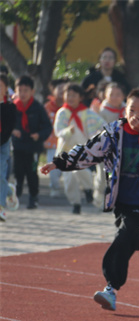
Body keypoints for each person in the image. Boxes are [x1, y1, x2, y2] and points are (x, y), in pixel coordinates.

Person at [40, 88, 139, 311]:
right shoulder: (114, 132)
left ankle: (111, 289)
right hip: (120, 199)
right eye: (132, 110)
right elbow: (89, 151)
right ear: (125, 111)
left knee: (123, 237)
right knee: (128, 238)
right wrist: (59, 162)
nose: (136, 115)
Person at [54, 84, 105, 214]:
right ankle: (75, 203)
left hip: (81, 149)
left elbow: (102, 124)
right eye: (68, 95)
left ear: (80, 97)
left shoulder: (87, 113)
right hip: (65, 150)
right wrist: (67, 131)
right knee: (68, 179)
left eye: (74, 95)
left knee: (80, 170)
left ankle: (88, 189)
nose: (70, 98)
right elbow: (58, 130)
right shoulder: (62, 112)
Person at [11, 75, 52, 209]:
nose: (22, 94)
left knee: (32, 172)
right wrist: (12, 130)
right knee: (18, 171)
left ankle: (33, 198)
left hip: (33, 146)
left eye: (26, 90)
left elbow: (47, 127)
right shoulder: (12, 107)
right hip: (17, 145)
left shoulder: (38, 108)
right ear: (15, 91)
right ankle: (16, 196)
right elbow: (5, 124)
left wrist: (39, 135)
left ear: (32, 92)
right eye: (20, 90)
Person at [44, 79, 68, 198]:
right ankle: (55, 187)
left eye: (65, 89)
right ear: (53, 90)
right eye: (59, 88)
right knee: (52, 168)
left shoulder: (70, 108)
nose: (62, 91)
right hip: (52, 143)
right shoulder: (47, 107)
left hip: (68, 143)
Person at [0, 73, 16, 221]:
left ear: (6, 89)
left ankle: (1, 207)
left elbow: (7, 130)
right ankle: (9, 191)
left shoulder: (10, 107)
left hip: (3, 144)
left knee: (0, 173)